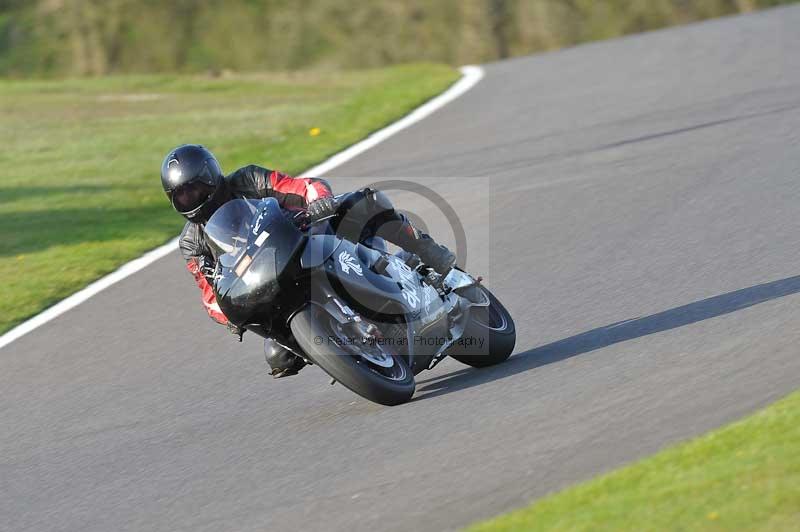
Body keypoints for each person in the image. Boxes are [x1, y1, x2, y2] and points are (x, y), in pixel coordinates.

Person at [161, 144, 455, 377]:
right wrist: (228, 314)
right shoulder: (192, 242)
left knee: (364, 203)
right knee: (279, 357)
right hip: (267, 285)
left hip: (306, 238)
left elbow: (302, 187)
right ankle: (346, 353)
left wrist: (319, 202)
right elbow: (209, 292)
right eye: (184, 195)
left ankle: (427, 252)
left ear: (211, 176)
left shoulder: (247, 179)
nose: (194, 197)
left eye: (197, 187)